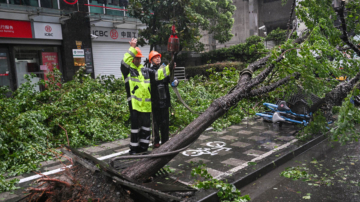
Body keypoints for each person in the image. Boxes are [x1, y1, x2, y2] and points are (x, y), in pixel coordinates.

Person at [120, 38, 151, 155]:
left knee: (146, 128)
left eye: (139, 58)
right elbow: (124, 62)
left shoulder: (145, 70)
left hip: (146, 105)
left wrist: (169, 67)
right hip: (135, 105)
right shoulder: (127, 70)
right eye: (136, 57)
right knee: (135, 128)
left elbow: (158, 74)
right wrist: (132, 48)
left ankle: (144, 147)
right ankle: (134, 149)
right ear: (132, 58)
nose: (138, 59)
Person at [148, 50, 179, 148]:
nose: (158, 58)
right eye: (155, 57)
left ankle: (165, 141)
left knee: (165, 123)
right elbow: (158, 74)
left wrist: (175, 81)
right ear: (151, 60)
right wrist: (169, 68)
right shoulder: (150, 71)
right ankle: (156, 141)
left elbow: (172, 78)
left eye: (158, 57)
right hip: (155, 102)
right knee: (156, 123)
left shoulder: (164, 69)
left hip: (165, 101)